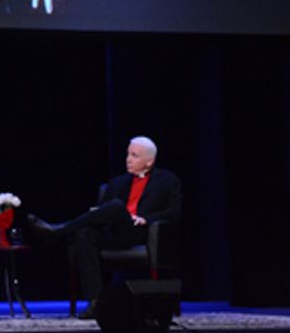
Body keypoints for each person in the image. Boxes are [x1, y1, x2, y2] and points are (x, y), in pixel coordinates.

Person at [28, 136, 182, 319]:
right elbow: (101, 212)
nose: (128, 159)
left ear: (149, 161)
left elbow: (174, 213)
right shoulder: (118, 182)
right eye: (128, 154)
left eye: (134, 155)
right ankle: (96, 303)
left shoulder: (168, 180)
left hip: (140, 233)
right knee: (84, 233)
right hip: (113, 232)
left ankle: (59, 230)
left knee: (116, 205)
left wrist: (145, 219)